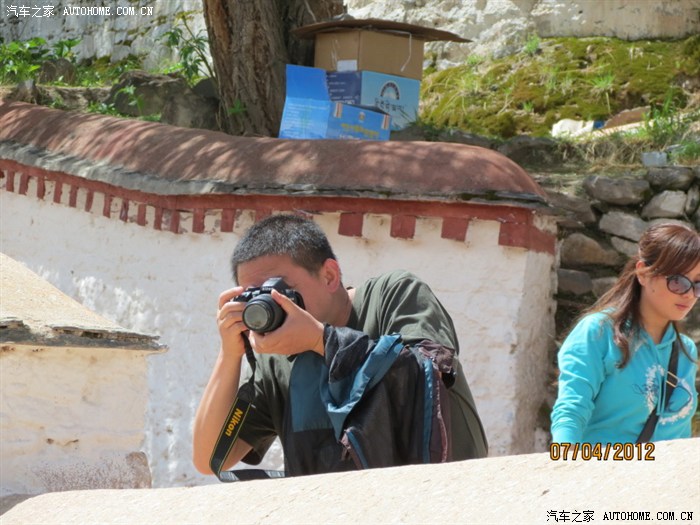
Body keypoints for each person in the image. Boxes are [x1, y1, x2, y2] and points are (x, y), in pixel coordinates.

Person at [193, 214, 488, 476]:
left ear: (329, 276)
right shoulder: (277, 358)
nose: (272, 306)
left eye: (279, 290)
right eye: (255, 297)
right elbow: (209, 459)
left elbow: (427, 378)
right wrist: (230, 353)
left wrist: (320, 340)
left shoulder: (393, 295)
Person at [551, 223, 699, 444]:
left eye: (698, 284)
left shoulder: (685, 350)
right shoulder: (598, 332)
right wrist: (563, 459)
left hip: (669, 468)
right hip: (606, 465)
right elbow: (571, 411)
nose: (689, 294)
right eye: (678, 281)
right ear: (643, 273)